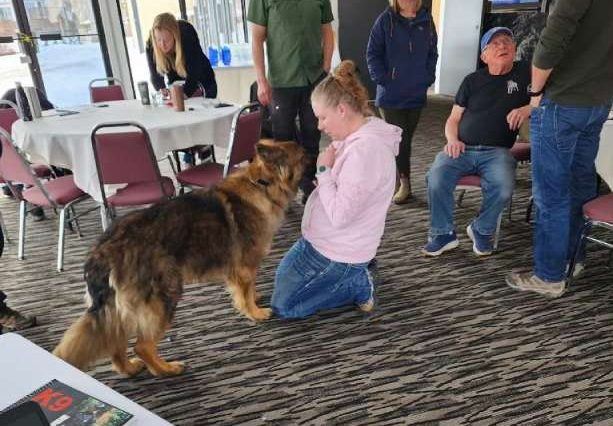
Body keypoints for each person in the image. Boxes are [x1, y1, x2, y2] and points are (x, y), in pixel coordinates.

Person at [271, 60, 401, 319]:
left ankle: (355, 283)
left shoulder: (365, 153)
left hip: (340, 250)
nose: (319, 126)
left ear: (342, 110)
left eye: (322, 117)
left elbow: (341, 216)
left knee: (284, 307)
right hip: (322, 239)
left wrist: (323, 171)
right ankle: (351, 275)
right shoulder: (357, 133)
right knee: (281, 282)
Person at [505, 0, 613, 297]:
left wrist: (535, 92)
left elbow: (552, 39)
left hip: (562, 101)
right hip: (598, 102)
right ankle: (571, 260)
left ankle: (549, 275)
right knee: (580, 183)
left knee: (551, 193)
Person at [422, 27, 531, 257]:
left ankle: (481, 229)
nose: (502, 46)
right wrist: (452, 140)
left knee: (503, 186)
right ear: (484, 56)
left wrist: (527, 108)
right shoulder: (472, 80)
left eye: (506, 41)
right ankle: (443, 234)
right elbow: (453, 119)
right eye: (495, 43)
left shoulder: (526, 72)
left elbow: (547, 96)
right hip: (462, 147)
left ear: (514, 49)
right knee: (436, 177)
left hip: (498, 151)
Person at [247, 0, 335, 203]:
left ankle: (309, 188)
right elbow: (256, 39)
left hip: (313, 78)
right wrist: (261, 81)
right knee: (281, 143)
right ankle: (282, 192)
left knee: (312, 136)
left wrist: (326, 66)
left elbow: (327, 31)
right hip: (281, 81)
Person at [366, 0, 438, 204]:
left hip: (416, 93)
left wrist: (428, 77)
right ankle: (404, 183)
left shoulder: (427, 20)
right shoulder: (385, 20)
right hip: (391, 95)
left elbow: (433, 52)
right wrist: (384, 79)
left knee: (403, 141)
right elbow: (372, 53)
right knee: (400, 140)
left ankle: (395, 181)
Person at [146, 13, 217, 99]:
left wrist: (185, 93)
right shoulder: (151, 44)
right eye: (159, 40)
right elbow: (155, 76)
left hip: (202, 80)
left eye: (167, 40)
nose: (162, 45)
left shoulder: (187, 34)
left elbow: (195, 70)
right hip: (175, 80)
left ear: (175, 36)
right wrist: (162, 90)